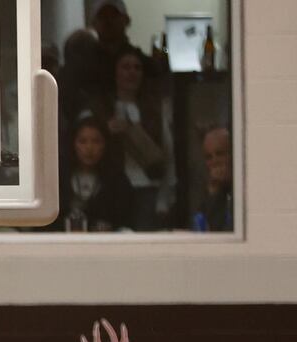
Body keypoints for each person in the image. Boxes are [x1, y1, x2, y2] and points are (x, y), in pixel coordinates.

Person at [84, 46, 171, 231]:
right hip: (111, 188)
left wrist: (165, 197)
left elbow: (168, 153)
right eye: (125, 67)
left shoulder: (153, 109)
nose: (132, 72)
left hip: (147, 187)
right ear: (115, 72)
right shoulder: (101, 109)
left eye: (137, 68)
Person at [59, 116, 134, 232]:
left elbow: (126, 222)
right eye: (82, 141)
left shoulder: (118, 180)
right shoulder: (58, 178)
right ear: (73, 144)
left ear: (105, 144)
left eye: (96, 141)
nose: (89, 148)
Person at [192, 127, 232, 232]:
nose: (215, 161)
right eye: (209, 157)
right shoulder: (209, 188)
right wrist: (214, 192)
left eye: (220, 154)